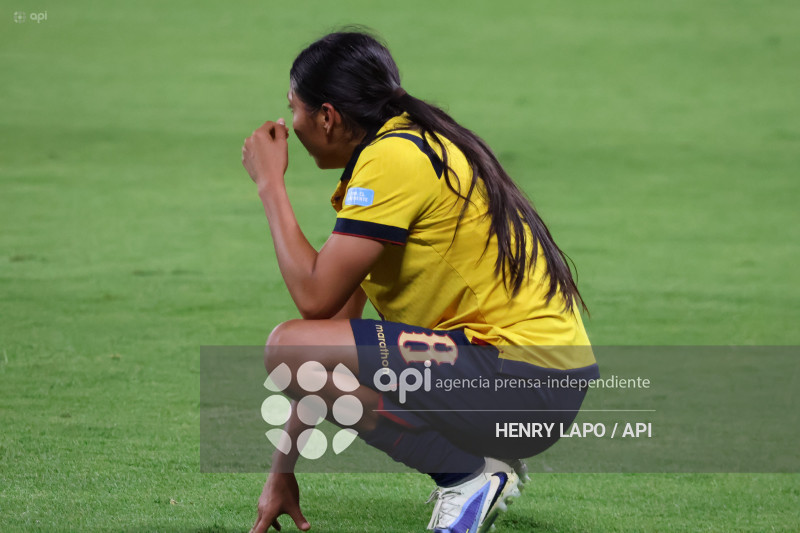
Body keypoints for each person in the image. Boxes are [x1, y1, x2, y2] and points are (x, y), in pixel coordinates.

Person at [241, 30, 599, 533]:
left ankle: (467, 476)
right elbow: (327, 332)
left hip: (524, 384)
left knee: (284, 346)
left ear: (327, 116)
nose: (288, 122)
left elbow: (312, 298)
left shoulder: (394, 160)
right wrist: (281, 471)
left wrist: (269, 185)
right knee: (304, 352)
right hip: (540, 381)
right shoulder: (406, 146)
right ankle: (483, 461)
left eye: (292, 108)